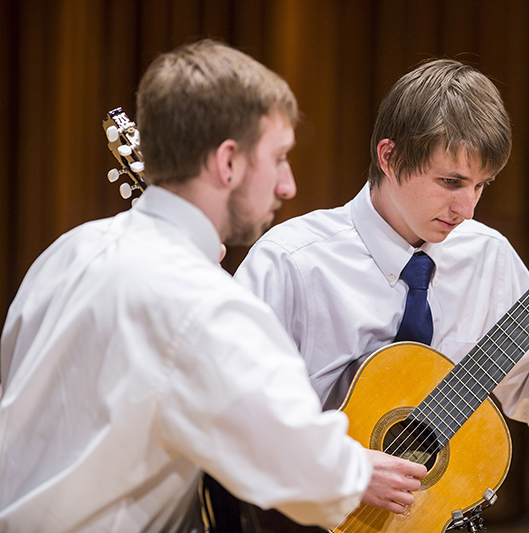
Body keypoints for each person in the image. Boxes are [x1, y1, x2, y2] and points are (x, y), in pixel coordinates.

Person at [0, 39, 426, 533]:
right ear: (228, 163)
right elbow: (304, 471)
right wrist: (356, 471)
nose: (287, 186)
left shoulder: (67, 252)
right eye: (279, 158)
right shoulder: (205, 305)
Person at [235, 58, 529, 477]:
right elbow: (226, 412)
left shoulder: (486, 257)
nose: (467, 208)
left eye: (481, 185)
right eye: (451, 182)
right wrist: (339, 467)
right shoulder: (292, 262)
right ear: (390, 157)